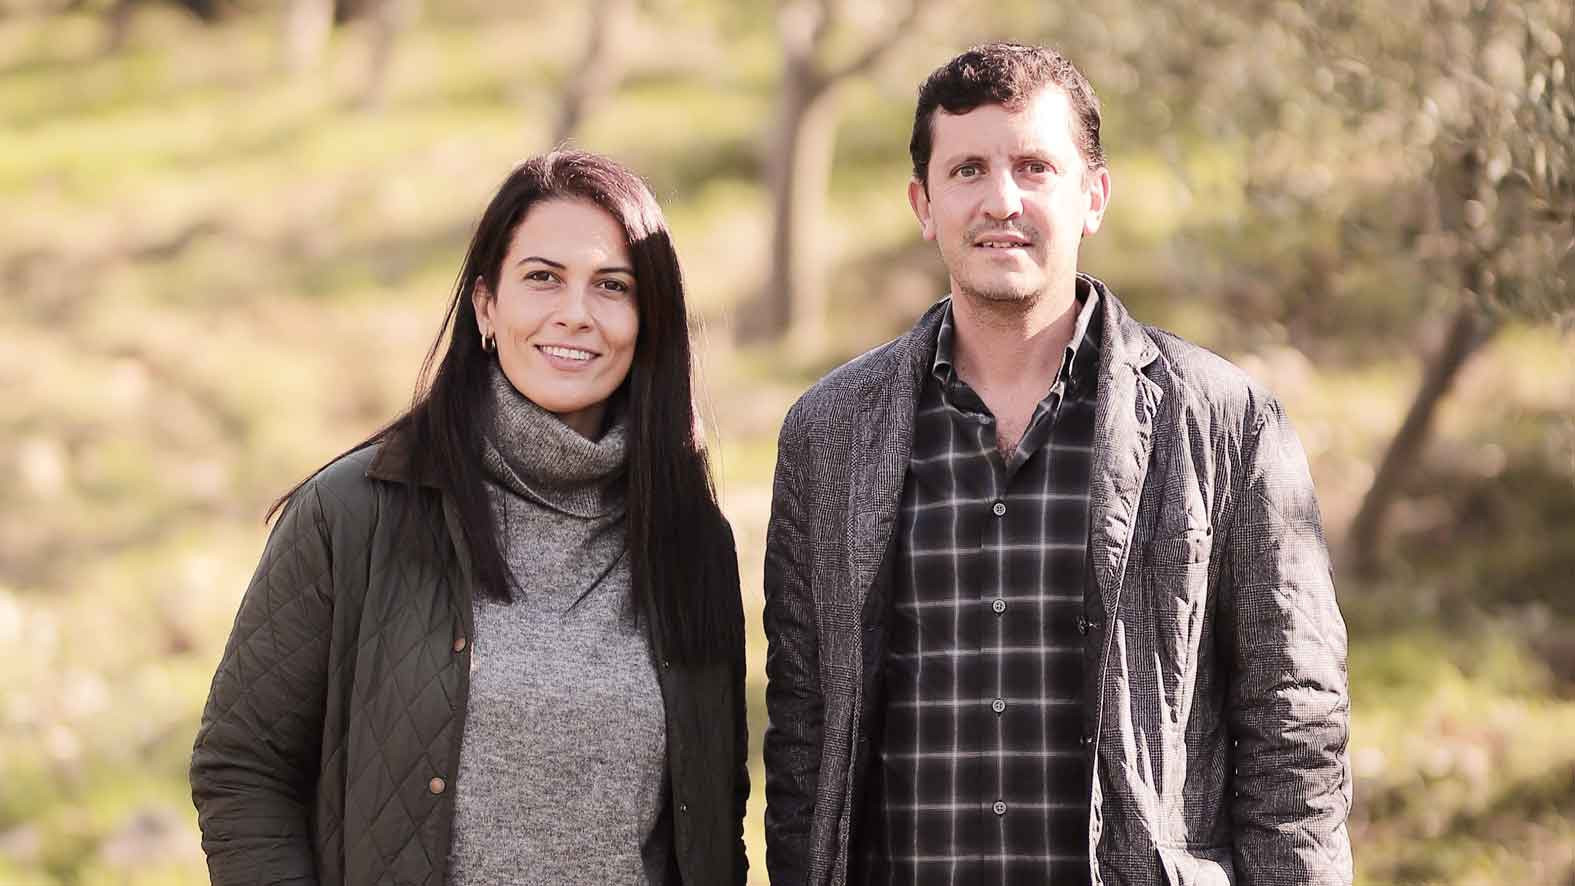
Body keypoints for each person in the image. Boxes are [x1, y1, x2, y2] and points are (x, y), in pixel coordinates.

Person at [762, 42, 1351, 886]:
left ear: (1092, 196)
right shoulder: (828, 433)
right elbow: (803, 731)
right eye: (967, 170)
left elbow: (1292, 725)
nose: (1001, 200)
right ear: (923, 204)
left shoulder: (1225, 421)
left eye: (1034, 167)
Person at [191, 150, 748, 886]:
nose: (575, 313)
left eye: (612, 286)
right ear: (486, 306)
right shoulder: (353, 512)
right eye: (542, 277)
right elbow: (242, 767)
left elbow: (715, 811)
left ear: (648, 321)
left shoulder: (689, 538)